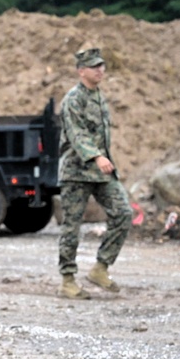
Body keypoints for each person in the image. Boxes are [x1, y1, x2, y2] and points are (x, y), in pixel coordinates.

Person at [57, 47, 133, 299]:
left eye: (102, 65)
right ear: (81, 71)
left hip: (101, 172)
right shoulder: (73, 99)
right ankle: (67, 280)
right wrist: (97, 156)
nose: (101, 70)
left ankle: (100, 268)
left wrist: (104, 159)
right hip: (76, 173)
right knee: (72, 227)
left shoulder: (99, 96)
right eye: (94, 66)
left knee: (123, 213)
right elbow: (77, 134)